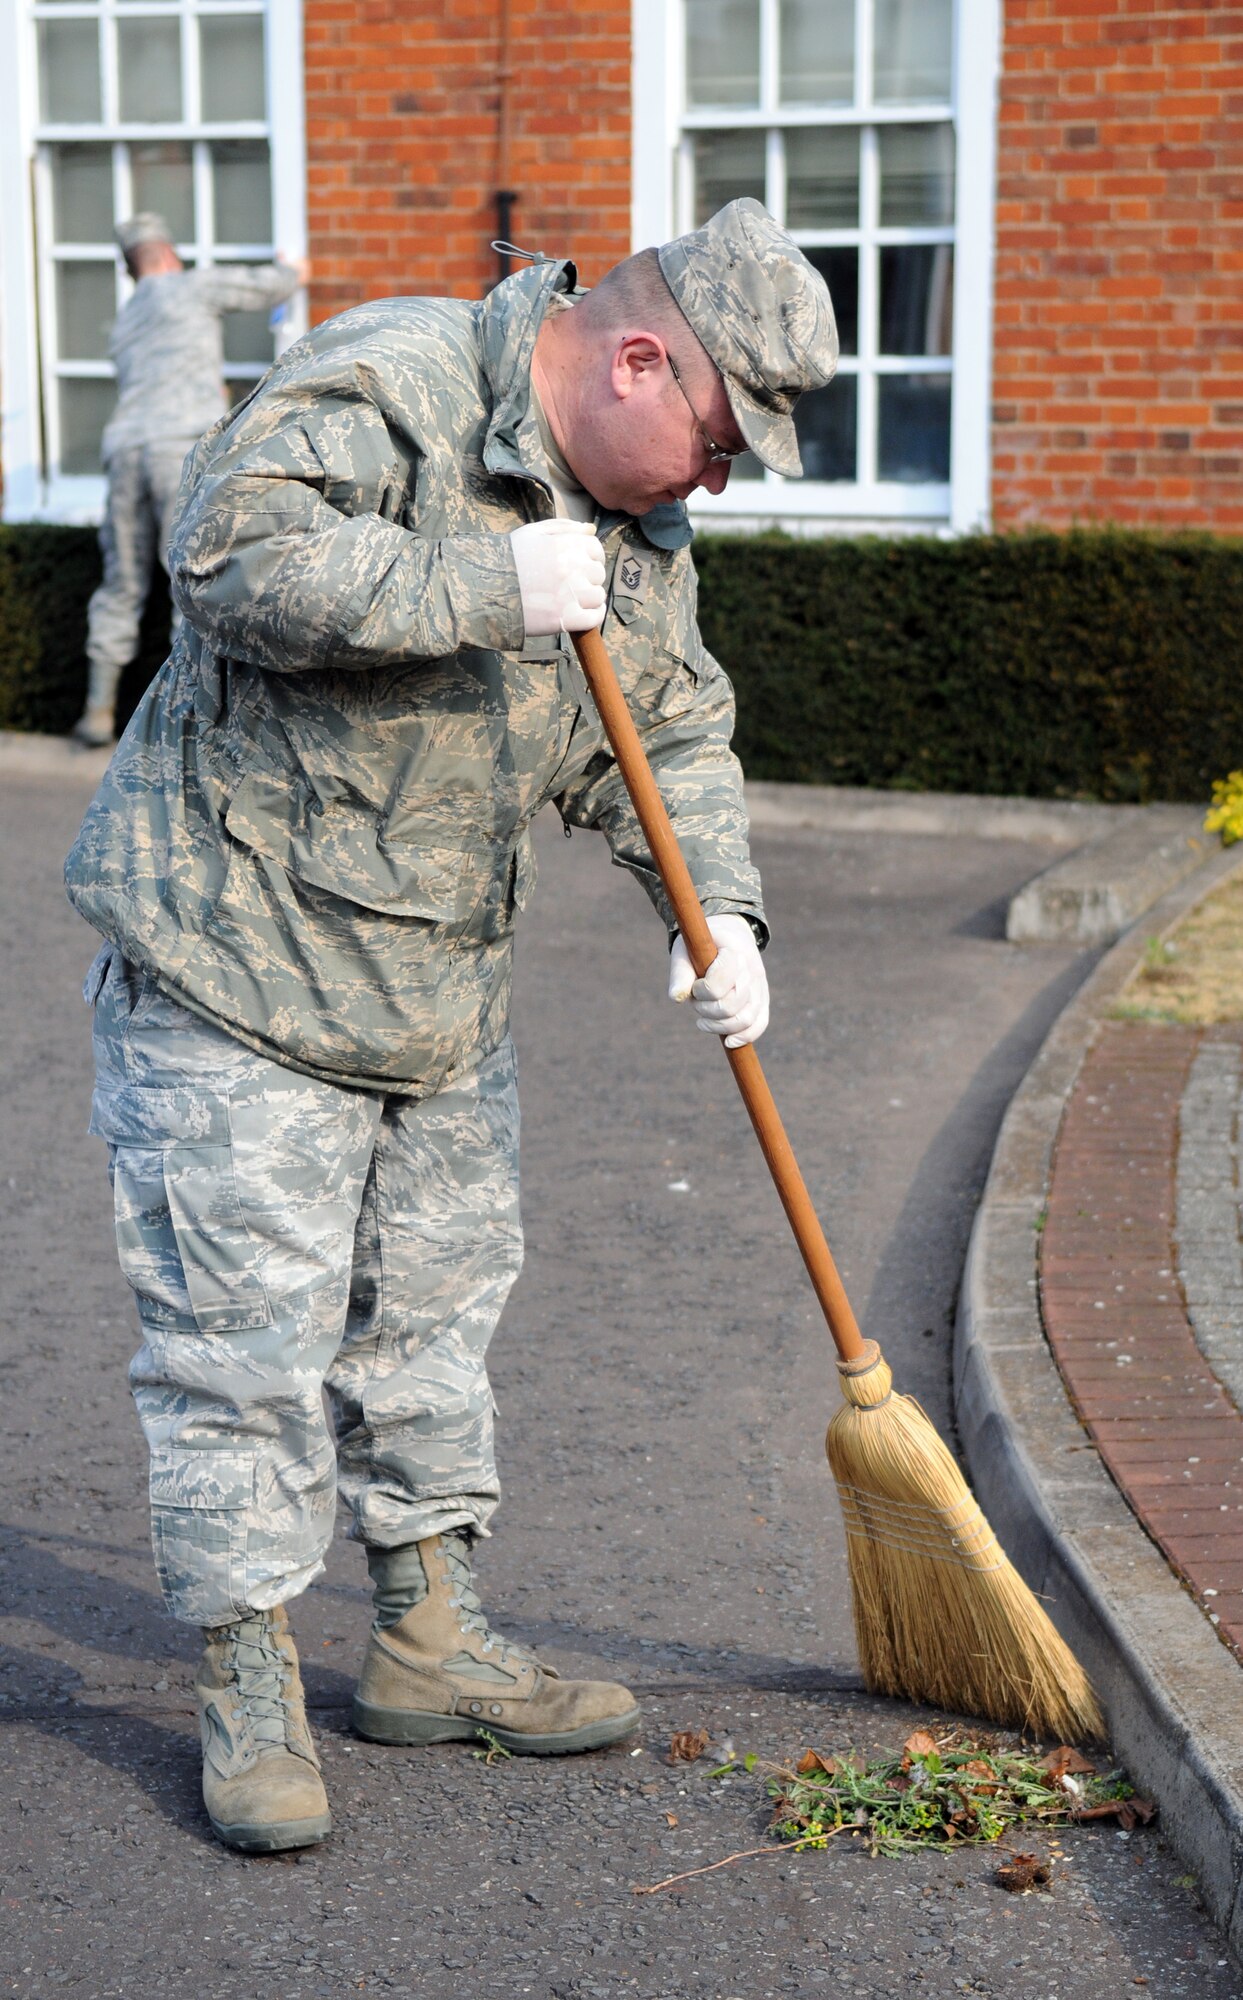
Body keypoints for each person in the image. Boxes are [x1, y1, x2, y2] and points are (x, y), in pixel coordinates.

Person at [64, 196, 838, 1855]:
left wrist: (724, 918)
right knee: (240, 1350)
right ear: (637, 358)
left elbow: (671, 735)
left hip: (433, 981)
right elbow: (225, 554)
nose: (715, 483)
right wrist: (477, 577)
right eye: (716, 442)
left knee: (431, 1319)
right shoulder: (395, 375)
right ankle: (249, 1674)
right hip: (236, 958)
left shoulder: (636, 545)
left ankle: (425, 1636)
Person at [71, 213, 308, 748]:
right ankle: (189, 719)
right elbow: (269, 284)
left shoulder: (126, 319)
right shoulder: (189, 287)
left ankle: (97, 711)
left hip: (123, 448)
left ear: (131, 269)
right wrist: (295, 268)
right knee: (191, 579)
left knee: (122, 581)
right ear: (169, 254)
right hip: (177, 447)